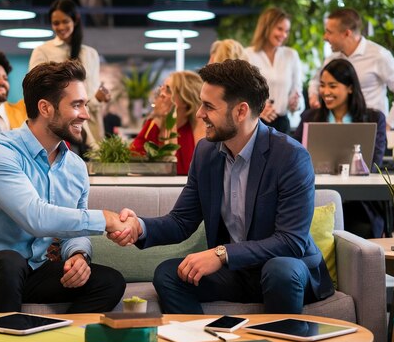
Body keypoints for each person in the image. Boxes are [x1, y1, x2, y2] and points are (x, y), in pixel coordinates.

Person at [110, 59, 334, 314]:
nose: (199, 114)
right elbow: (182, 221)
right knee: (169, 274)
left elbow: (290, 241)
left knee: (279, 270)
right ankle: (199, 341)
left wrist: (221, 254)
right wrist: (140, 227)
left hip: (287, 271)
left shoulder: (290, 157)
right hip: (237, 273)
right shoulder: (206, 153)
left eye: (208, 106)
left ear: (240, 111)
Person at [0, 60, 130, 313]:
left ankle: (64, 340)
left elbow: (74, 229)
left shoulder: (76, 167)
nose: (86, 115)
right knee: (8, 262)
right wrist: (107, 219)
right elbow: (35, 217)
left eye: (85, 105)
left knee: (109, 282)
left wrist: (78, 255)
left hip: (32, 268)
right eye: (76, 105)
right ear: (45, 108)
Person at [295, 59, 387, 238]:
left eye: (333, 86)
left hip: (359, 203)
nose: (325, 92)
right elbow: (295, 157)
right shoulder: (309, 117)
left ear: (350, 88)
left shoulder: (374, 119)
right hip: (316, 198)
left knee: (361, 230)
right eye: (322, 85)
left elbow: (374, 162)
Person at [308, 8, 394, 130]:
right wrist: (314, 97)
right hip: (337, 128)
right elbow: (315, 82)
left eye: (329, 32)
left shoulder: (378, 55)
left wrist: (388, 125)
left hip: (370, 128)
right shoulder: (332, 59)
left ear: (347, 33)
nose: (325, 37)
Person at [29, 0, 110, 141]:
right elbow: (36, 93)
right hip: (59, 129)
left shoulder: (90, 54)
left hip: (90, 130)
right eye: (56, 23)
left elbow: (93, 92)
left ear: (76, 20)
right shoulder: (42, 51)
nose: (60, 27)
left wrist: (102, 96)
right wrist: (95, 99)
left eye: (65, 21)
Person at [129, 71, 203, 175]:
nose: (161, 94)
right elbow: (132, 158)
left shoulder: (197, 127)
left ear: (185, 100)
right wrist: (157, 119)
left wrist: (170, 122)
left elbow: (188, 172)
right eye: (162, 88)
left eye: (168, 90)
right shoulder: (153, 124)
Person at [244, 7, 302, 134]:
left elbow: (297, 91)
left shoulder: (291, 55)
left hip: (282, 124)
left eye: (286, 31)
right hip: (255, 123)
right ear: (266, 27)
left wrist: (295, 103)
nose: (284, 35)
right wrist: (258, 108)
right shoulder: (248, 55)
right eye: (279, 29)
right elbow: (243, 92)